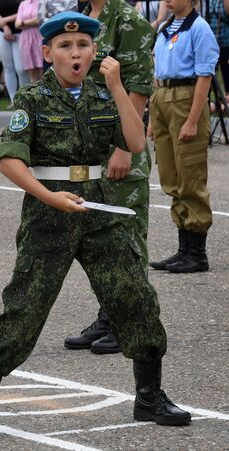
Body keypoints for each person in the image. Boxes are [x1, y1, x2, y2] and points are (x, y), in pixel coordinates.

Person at [0, 13, 191, 442]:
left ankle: (149, 396)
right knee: (24, 309)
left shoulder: (105, 94)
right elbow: (9, 159)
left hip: (99, 207)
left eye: (84, 44)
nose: (76, 53)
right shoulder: (32, 98)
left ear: (95, 51)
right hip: (50, 213)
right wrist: (49, 197)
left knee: (134, 298)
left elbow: (136, 144)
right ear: (47, 53)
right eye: (65, 47)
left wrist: (119, 87)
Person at [64, 0, 155, 355]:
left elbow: (139, 87)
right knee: (101, 241)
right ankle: (109, 314)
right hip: (91, 148)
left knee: (128, 241)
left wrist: (124, 150)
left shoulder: (128, 20)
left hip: (120, 147)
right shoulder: (81, 16)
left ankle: (131, 320)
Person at [148, 0, 219, 273]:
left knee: (190, 176)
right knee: (171, 176)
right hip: (163, 99)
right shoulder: (166, 27)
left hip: (185, 99)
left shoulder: (199, 29)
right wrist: (154, 120)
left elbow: (204, 77)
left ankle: (197, 254)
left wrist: (191, 120)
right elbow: (157, 72)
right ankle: (183, 250)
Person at [0, 0, 30, 108]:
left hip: (20, 31)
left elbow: (25, 11)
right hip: (2, 32)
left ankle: (24, 98)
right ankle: (13, 99)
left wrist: (5, 20)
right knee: (8, 67)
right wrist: (5, 27)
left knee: (21, 68)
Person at [15, 0, 44, 81]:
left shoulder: (42, 2)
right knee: (31, 71)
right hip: (26, 39)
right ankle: (33, 92)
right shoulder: (23, 4)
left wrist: (23, 23)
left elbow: (38, 20)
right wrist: (29, 23)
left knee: (42, 68)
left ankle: (43, 92)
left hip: (39, 36)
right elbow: (16, 24)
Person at [208, 0, 229, 99]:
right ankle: (216, 101)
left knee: (227, 74)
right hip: (210, 45)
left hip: (226, 43)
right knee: (209, 75)